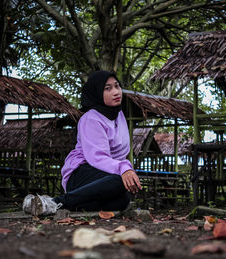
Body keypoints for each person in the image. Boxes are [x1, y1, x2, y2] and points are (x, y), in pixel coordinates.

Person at [22, 70, 142, 216]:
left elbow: (121, 154)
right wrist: (124, 168)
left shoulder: (119, 115)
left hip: (103, 176)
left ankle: (45, 204)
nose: (116, 92)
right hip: (81, 172)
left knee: (122, 200)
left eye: (117, 86)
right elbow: (97, 158)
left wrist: (125, 172)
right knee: (118, 182)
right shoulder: (91, 119)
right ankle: (55, 202)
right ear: (96, 92)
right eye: (108, 88)